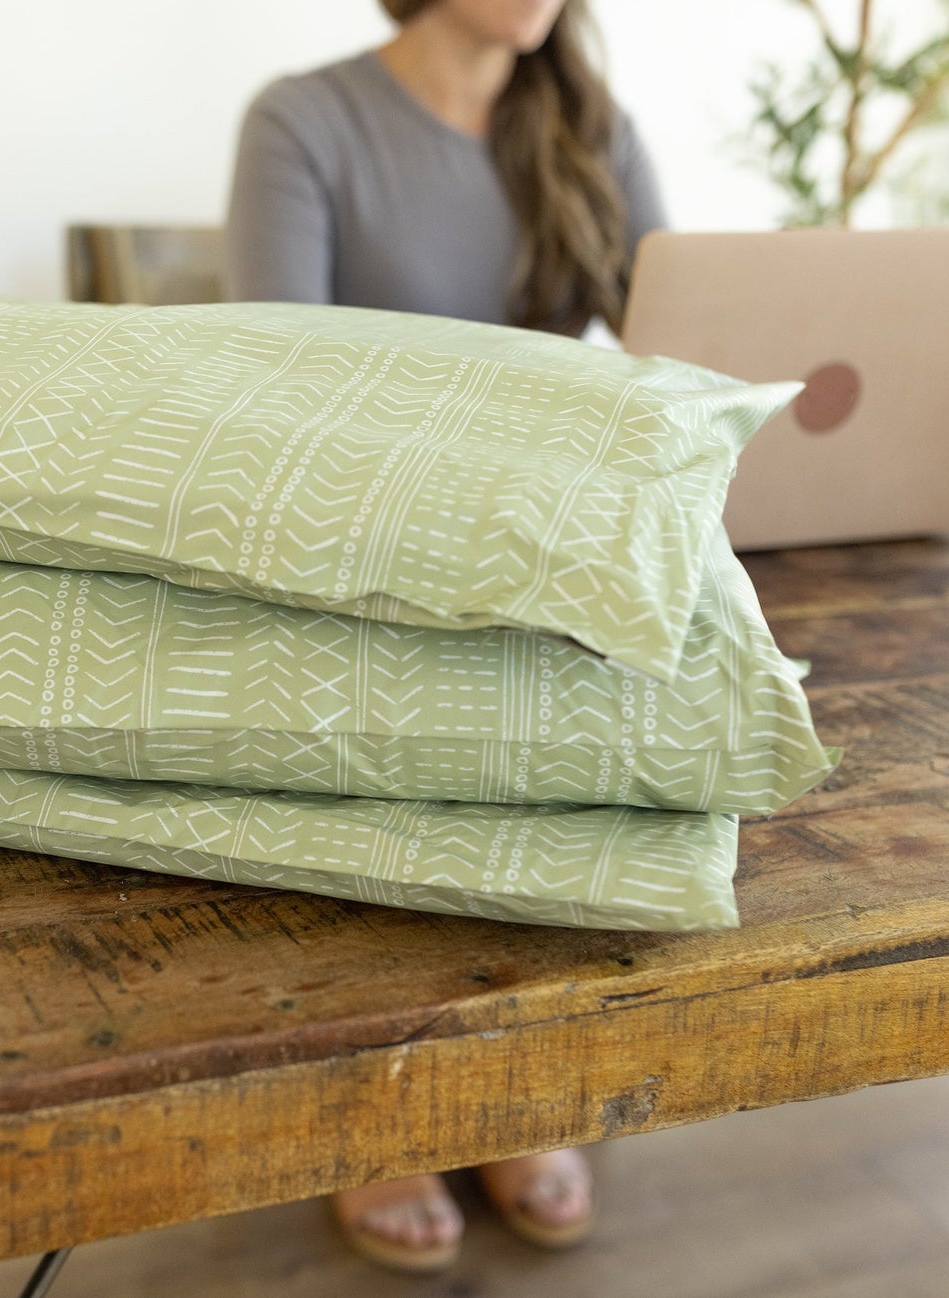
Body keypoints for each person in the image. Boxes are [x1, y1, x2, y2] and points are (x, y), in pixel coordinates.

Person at [221, 0, 668, 1275]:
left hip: (541, 551)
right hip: (353, 558)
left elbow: (681, 346)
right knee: (400, 727)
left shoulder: (590, 126)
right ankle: (376, 1106)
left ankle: (512, 1083)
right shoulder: (305, 121)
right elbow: (271, 388)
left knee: (603, 713)